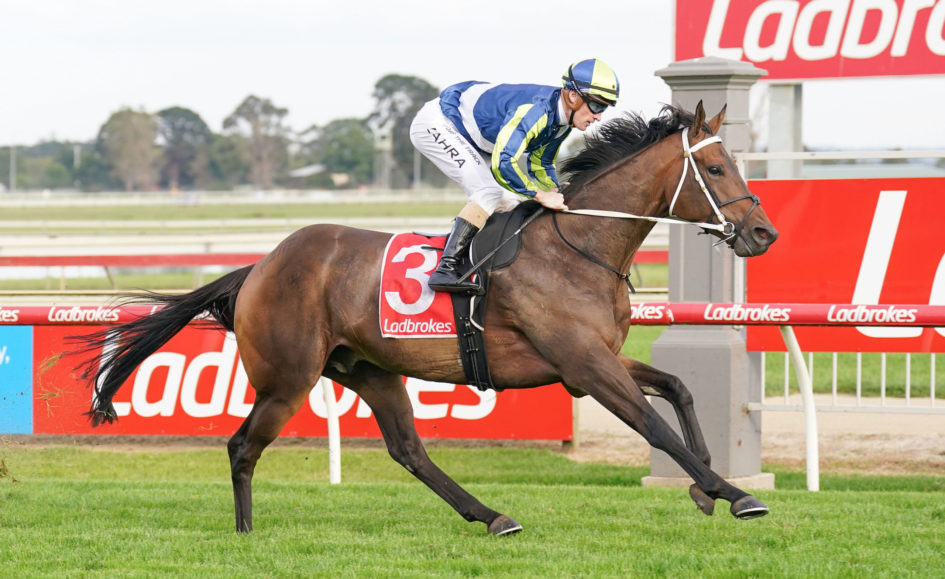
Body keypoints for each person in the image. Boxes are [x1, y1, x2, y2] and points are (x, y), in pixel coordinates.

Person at [409, 58, 620, 293]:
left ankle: (484, 265)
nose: (599, 116)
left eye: (604, 109)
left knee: (510, 201)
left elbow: (540, 163)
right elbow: (503, 162)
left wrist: (555, 190)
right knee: (488, 192)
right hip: (439, 123)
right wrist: (539, 194)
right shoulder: (536, 112)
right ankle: (445, 268)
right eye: (597, 106)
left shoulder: (562, 123)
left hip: (475, 139)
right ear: (573, 97)